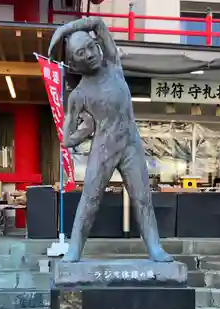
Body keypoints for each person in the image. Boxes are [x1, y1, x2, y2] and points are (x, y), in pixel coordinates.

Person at [48, 18, 172, 262]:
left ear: (98, 46)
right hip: (103, 148)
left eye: (91, 47)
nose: (90, 55)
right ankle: (74, 250)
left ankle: (155, 248)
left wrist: (65, 29)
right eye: (81, 53)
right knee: (90, 200)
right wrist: (87, 129)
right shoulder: (80, 94)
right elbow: (66, 139)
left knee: (142, 199)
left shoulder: (114, 65)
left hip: (131, 145)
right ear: (74, 63)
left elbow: (98, 23)